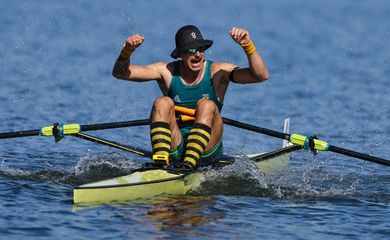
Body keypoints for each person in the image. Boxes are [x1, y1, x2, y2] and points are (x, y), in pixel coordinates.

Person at [112, 25, 269, 171]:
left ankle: (189, 164)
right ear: (180, 54)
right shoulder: (166, 71)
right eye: (192, 49)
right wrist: (127, 51)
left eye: (201, 49)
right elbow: (120, 74)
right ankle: (160, 162)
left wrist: (247, 46)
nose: (198, 54)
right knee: (162, 102)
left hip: (208, 149)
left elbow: (261, 76)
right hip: (176, 144)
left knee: (206, 105)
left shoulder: (218, 72)